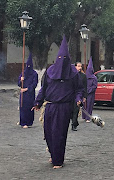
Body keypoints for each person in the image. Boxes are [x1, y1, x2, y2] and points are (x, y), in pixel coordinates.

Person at [32, 36, 86, 169]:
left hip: (64, 108)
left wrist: (78, 99)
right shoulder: (49, 72)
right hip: (50, 106)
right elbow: (44, 88)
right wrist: (37, 102)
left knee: (59, 134)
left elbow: (79, 89)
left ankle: (58, 160)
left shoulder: (73, 74)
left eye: (65, 60)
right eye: (60, 59)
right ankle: (53, 153)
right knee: (48, 133)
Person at [17, 53, 38, 128]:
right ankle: (23, 122)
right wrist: (21, 80)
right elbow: (18, 84)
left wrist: (26, 89)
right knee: (22, 107)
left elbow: (34, 84)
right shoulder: (23, 73)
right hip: (23, 94)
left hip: (30, 94)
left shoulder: (34, 74)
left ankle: (29, 122)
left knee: (29, 107)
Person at [71, 62, 87, 131]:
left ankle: (74, 124)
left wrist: (84, 96)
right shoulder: (71, 75)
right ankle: (74, 122)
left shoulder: (83, 76)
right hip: (70, 96)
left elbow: (85, 87)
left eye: (81, 66)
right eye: (78, 66)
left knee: (76, 110)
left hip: (78, 96)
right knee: (70, 111)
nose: (80, 68)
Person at [82, 57, 98, 123]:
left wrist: (89, 90)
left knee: (89, 106)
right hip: (85, 93)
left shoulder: (94, 78)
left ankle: (88, 117)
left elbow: (94, 86)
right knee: (84, 105)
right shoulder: (85, 76)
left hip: (90, 94)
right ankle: (84, 116)